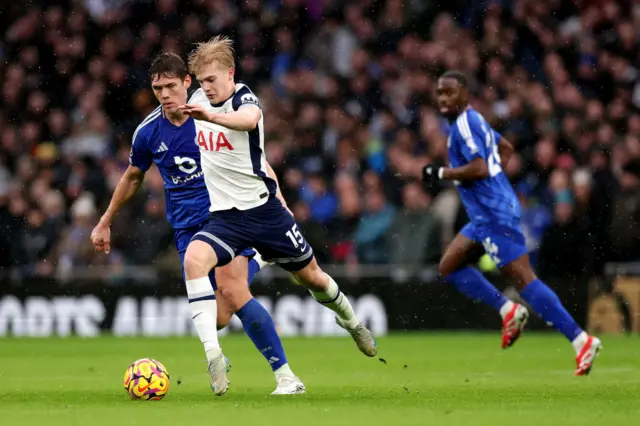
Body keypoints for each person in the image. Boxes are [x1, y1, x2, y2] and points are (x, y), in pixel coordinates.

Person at [90, 52, 304, 395]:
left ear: (187, 82)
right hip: (187, 230)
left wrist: (278, 202)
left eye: (171, 86)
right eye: (157, 88)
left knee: (234, 292)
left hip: (226, 218)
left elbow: (254, 158)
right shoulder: (147, 132)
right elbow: (133, 176)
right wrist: (105, 221)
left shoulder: (212, 114)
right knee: (220, 317)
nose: (164, 94)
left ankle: (287, 377)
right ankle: (259, 261)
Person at [177, 36, 377, 396]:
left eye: (211, 80)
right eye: (201, 82)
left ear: (229, 73)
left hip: (265, 213)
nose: (206, 88)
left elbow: (248, 120)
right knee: (195, 262)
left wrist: (212, 116)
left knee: (312, 278)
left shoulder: (243, 98)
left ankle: (351, 321)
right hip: (226, 219)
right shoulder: (196, 101)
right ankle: (215, 357)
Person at [421, 71, 601, 376]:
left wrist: (441, 174)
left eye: (449, 92)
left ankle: (581, 339)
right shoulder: (474, 121)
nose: (443, 99)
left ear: (465, 93)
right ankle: (508, 309)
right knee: (449, 265)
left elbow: (479, 167)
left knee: (524, 281)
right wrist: (496, 183)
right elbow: (505, 149)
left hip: (493, 215)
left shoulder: (465, 125)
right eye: (439, 93)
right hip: (485, 214)